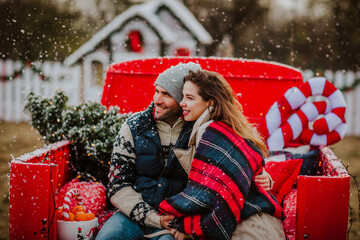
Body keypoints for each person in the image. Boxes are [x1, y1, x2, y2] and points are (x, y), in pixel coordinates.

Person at [96, 63, 272, 240]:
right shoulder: (134, 127)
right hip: (133, 214)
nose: (156, 99)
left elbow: (230, 161)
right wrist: (150, 217)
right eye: (156, 91)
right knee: (108, 236)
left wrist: (264, 176)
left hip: (176, 220)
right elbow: (117, 185)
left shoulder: (201, 128)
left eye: (166, 94)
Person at [159, 69, 285, 240]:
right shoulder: (227, 127)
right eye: (182, 96)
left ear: (210, 102)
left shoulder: (210, 133)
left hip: (248, 229)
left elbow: (213, 195)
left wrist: (187, 225)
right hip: (264, 222)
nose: (182, 103)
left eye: (190, 98)